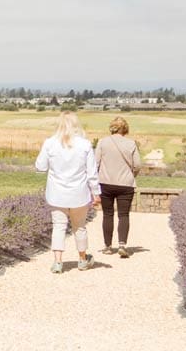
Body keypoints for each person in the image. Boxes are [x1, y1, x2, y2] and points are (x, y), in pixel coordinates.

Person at [35, 111, 101, 273]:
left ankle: (58, 262)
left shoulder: (50, 143)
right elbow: (92, 173)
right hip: (79, 194)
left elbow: (40, 166)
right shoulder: (85, 145)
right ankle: (82, 259)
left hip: (57, 194)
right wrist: (96, 193)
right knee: (80, 227)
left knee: (58, 226)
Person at [95, 116, 141, 258]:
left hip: (106, 183)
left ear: (112, 127)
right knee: (123, 215)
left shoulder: (102, 142)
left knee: (107, 214)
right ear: (125, 129)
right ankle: (122, 245)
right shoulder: (131, 143)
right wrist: (132, 175)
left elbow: (95, 163)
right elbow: (137, 165)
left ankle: (108, 247)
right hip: (126, 184)